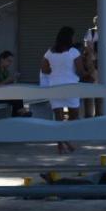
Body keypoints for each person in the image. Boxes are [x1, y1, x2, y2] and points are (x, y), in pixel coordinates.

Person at [40, 26, 85, 154]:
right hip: (71, 87)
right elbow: (80, 71)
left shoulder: (50, 52)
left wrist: (54, 72)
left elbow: (44, 69)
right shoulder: (74, 52)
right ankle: (66, 140)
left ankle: (61, 144)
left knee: (58, 118)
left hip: (54, 86)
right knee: (73, 117)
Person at [0, 51, 28, 118]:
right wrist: (7, 81)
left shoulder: (5, 71)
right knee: (15, 98)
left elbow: (7, 85)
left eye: (11, 62)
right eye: (8, 61)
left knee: (17, 95)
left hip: (1, 95)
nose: (10, 63)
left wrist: (13, 80)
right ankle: (19, 114)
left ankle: (18, 114)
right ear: (2, 59)